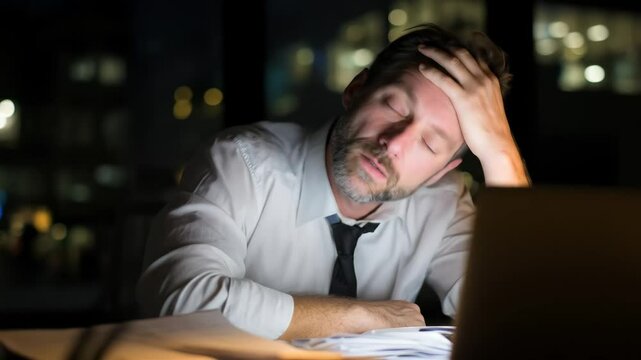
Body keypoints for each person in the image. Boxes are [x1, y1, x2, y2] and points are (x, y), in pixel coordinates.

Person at [136, 23, 530, 340]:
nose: (393, 144)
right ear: (356, 90)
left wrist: (499, 151)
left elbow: (523, 318)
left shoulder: (442, 200)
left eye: (429, 143)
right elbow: (179, 300)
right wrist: (359, 317)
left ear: (443, 170)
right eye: (393, 105)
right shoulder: (243, 162)